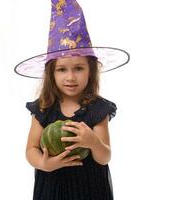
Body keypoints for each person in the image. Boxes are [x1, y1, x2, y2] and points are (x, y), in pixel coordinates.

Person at [14, 0, 129, 199]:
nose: (70, 77)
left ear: (90, 71)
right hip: (53, 187)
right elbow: (31, 149)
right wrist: (44, 164)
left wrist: (93, 143)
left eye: (78, 68)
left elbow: (105, 157)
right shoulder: (44, 107)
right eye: (62, 69)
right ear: (51, 73)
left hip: (90, 189)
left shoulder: (97, 109)